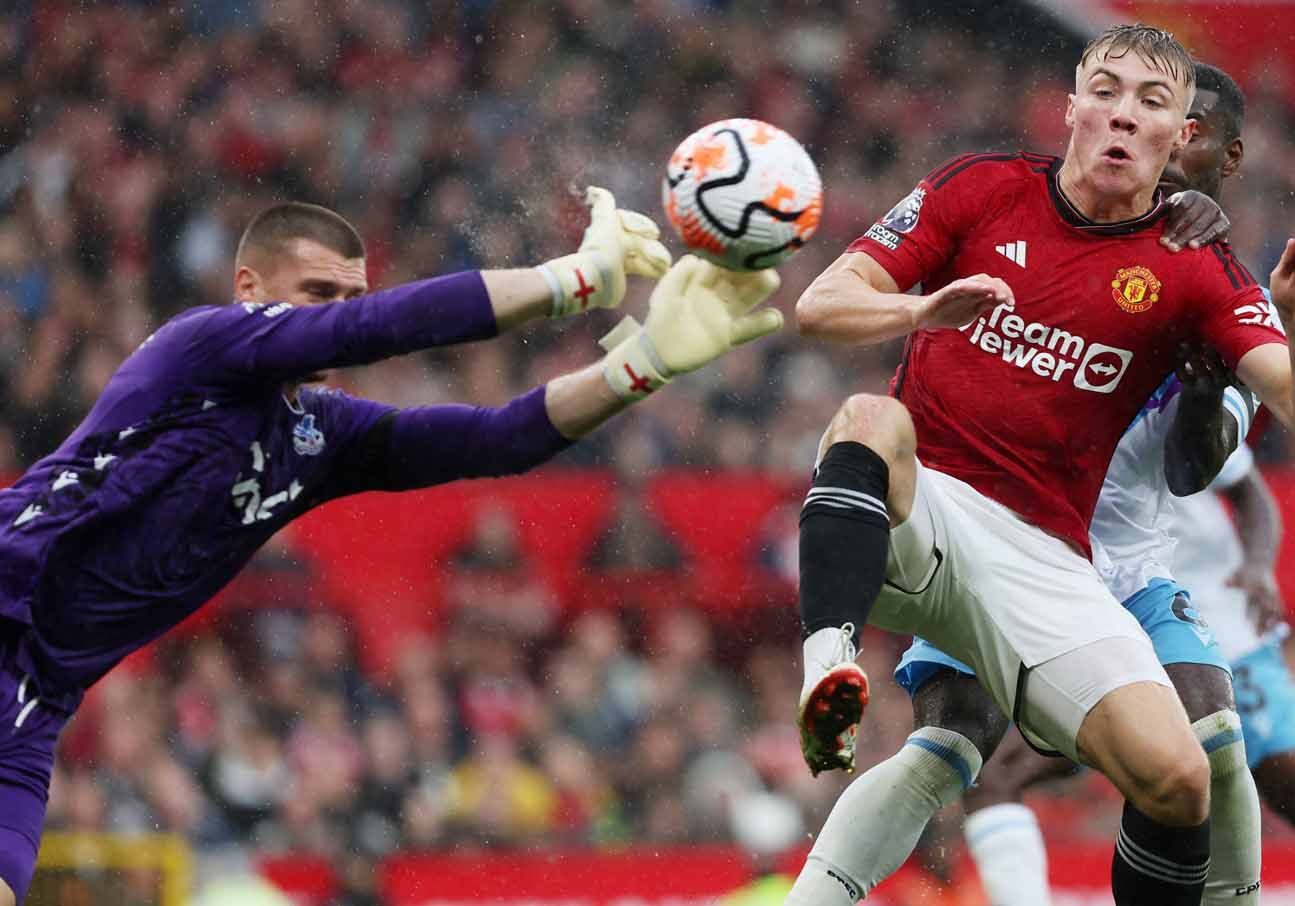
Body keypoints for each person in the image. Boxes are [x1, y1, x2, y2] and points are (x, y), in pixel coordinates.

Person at [0, 190, 785, 906]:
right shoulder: (198, 351)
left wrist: (639, 366)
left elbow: (500, 436)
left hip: (36, 705)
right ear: (249, 289)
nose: (337, 314)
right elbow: (373, 330)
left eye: (350, 294)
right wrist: (570, 281)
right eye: (317, 294)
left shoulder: (318, 436)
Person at [784, 24, 1295, 906]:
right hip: (929, 515)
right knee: (869, 419)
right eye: (1108, 91)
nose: (1124, 115)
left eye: (1152, 103)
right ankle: (829, 663)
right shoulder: (981, 189)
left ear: (1182, 138)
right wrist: (924, 309)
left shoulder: (1199, 270)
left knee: (1186, 770)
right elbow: (819, 305)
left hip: (1061, 560)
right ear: (1073, 105)